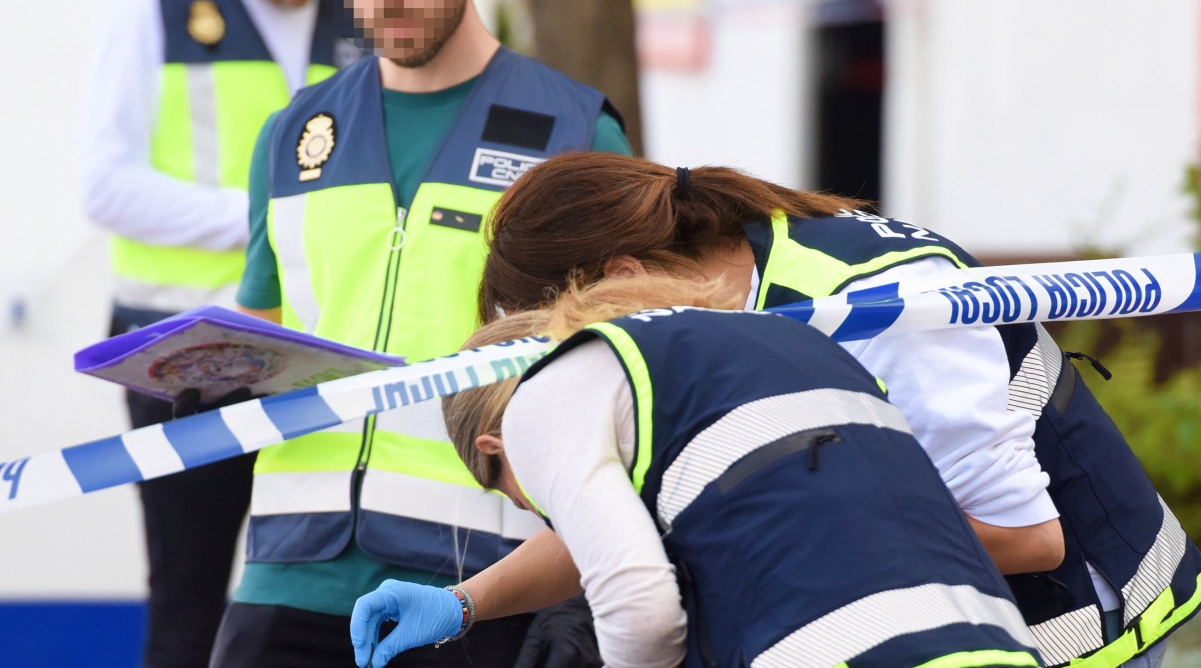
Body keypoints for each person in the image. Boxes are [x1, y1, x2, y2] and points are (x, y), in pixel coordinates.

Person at [470, 152, 1201, 667]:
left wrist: (741, 565)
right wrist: (463, 602)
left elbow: (1028, 536)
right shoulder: (714, 307)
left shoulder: (877, 304)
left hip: (1073, 622)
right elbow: (642, 530)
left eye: (574, 336)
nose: (580, 367)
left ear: (622, 276)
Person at [212, 0, 630, 665]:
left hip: (477, 580)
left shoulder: (577, 131)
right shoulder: (293, 131)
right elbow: (266, 336)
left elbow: (617, 371)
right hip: (289, 565)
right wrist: (216, 380)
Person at [349, 274, 1047, 668]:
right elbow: (626, 539)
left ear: (497, 445)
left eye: (524, 498)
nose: (544, 515)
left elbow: (640, 608)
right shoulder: (768, 340)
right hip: (991, 646)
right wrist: (463, 602)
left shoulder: (542, 400)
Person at [80, 0, 355, 665]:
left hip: (314, 356)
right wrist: (270, 217)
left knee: (321, 590)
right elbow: (105, 185)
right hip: (182, 358)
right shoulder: (152, 12)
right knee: (189, 597)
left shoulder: (367, 17)